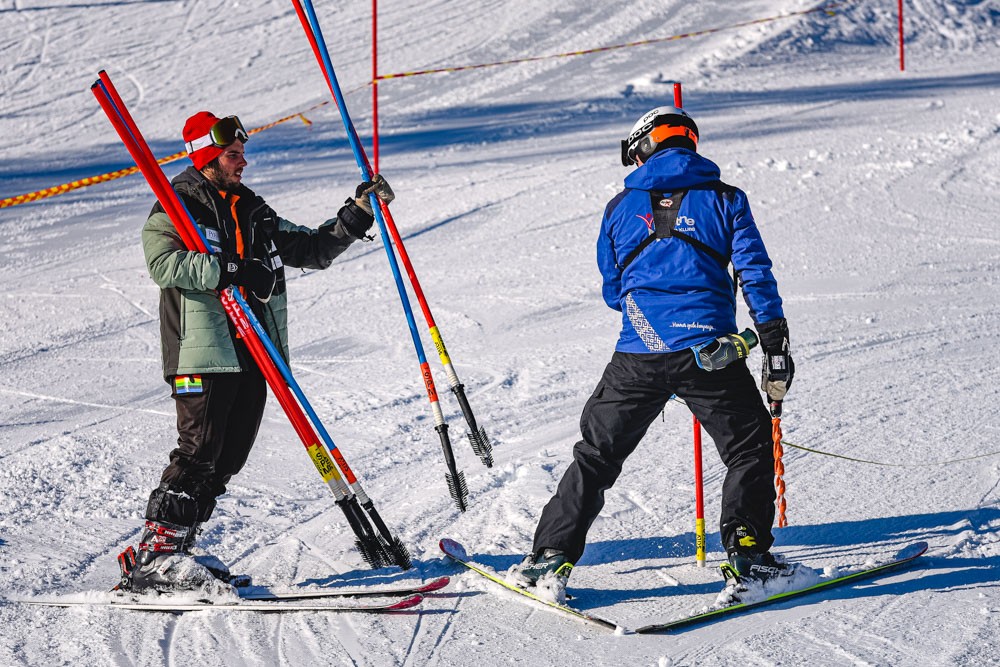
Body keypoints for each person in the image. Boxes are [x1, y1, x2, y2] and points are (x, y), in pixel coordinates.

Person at [509, 106, 795, 600]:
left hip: (636, 356)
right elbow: (754, 272)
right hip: (709, 354)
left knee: (596, 456)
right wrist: (773, 341)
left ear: (644, 146)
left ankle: (549, 557)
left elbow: (613, 289)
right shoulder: (727, 199)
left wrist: (653, 318)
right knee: (748, 449)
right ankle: (748, 555)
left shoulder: (620, 206)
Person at [120, 111, 394, 593]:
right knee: (198, 451)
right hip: (202, 350)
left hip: (253, 350)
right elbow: (163, 263)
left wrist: (357, 213)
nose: (243, 161)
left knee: (228, 457)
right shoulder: (178, 204)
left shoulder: (252, 209)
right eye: (233, 154)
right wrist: (229, 269)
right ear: (207, 158)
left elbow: (310, 248)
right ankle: (155, 557)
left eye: (242, 153)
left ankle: (179, 549)